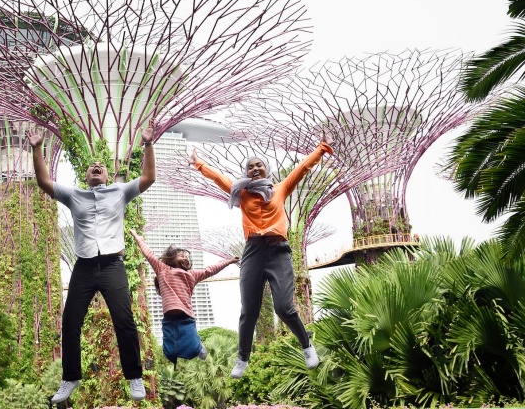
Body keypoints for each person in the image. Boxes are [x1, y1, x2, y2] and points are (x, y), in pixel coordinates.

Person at [27, 122, 156, 404]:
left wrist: (147, 144)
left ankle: (134, 375)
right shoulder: (74, 195)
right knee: (70, 322)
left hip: (112, 266)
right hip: (84, 267)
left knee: (124, 321)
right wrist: (37, 148)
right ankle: (70, 378)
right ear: (86, 176)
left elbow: (147, 178)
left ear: (107, 175)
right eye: (91, 166)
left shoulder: (120, 192)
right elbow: (44, 182)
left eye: (101, 165)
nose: (96, 166)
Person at [188, 134, 334, 378]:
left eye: (259, 165)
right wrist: (198, 163)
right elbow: (218, 179)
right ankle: (242, 359)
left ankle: (307, 346)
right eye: (250, 166)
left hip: (278, 251)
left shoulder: (281, 188)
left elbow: (302, 169)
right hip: (253, 252)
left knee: (285, 308)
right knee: (249, 311)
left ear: (267, 170)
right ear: (246, 172)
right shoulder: (242, 193)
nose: (255, 168)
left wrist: (321, 148)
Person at [128, 229, 239, 367]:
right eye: (181, 255)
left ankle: (199, 346)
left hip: (186, 318)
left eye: (186, 257)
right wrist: (139, 238)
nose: (185, 258)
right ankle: (176, 356)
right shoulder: (163, 270)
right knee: (169, 351)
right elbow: (149, 254)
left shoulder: (192, 275)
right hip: (168, 318)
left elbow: (210, 270)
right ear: (171, 257)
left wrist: (228, 262)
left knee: (192, 345)